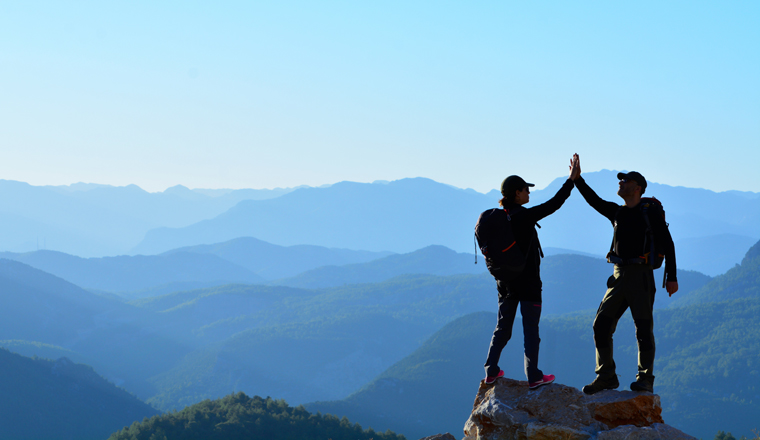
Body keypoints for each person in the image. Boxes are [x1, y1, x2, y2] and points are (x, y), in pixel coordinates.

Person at [573, 157, 678, 394]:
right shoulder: (617, 212)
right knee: (601, 325)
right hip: (619, 276)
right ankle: (606, 376)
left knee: (643, 330)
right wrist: (577, 179)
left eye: (626, 180)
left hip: (641, 276)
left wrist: (672, 277)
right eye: (620, 180)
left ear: (638, 187)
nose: (620, 182)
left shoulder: (649, 214)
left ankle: (645, 379)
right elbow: (594, 201)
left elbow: (668, 244)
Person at [484, 154, 580, 388]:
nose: (529, 193)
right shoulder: (524, 216)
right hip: (528, 282)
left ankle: (491, 371)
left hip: (505, 282)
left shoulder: (499, 219)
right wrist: (571, 181)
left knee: (502, 328)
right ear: (516, 193)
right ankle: (534, 376)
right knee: (530, 330)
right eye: (526, 190)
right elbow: (554, 204)